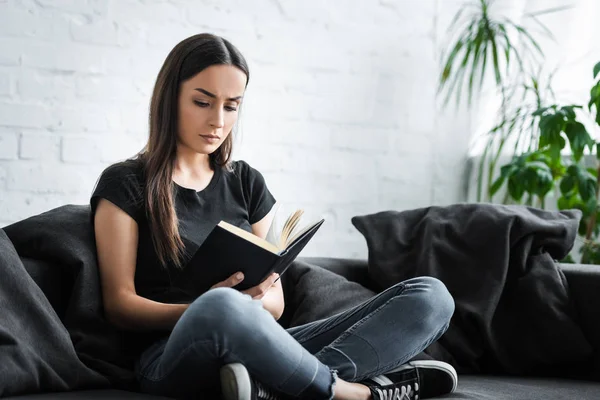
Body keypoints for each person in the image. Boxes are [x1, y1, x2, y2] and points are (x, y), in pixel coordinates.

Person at [90, 33, 458, 400]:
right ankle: (354, 394)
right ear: (170, 99)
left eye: (231, 106)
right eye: (203, 102)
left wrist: (253, 300)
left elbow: (276, 304)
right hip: (168, 356)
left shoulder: (246, 182)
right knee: (221, 306)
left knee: (431, 296)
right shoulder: (125, 183)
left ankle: (274, 387)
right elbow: (120, 305)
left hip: (258, 348)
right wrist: (203, 305)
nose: (218, 121)